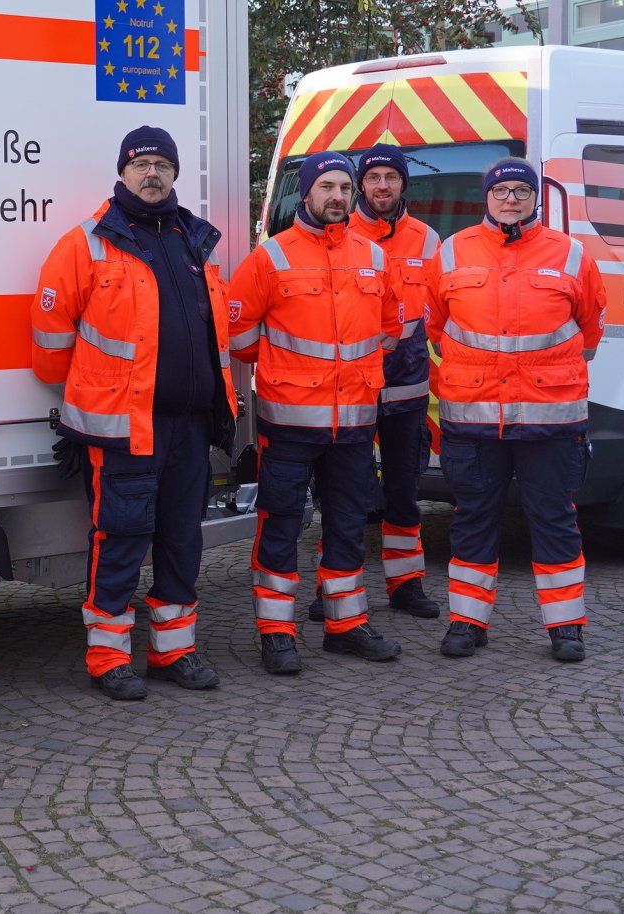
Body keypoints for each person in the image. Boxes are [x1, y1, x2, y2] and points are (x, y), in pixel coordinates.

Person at [30, 126, 237, 701]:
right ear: (122, 172)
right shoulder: (87, 243)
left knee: (181, 539)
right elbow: (49, 348)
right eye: (141, 164)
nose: (152, 174)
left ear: (174, 174)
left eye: (162, 165)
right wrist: (100, 390)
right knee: (119, 539)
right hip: (122, 428)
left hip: (191, 427)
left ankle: (173, 652)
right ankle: (107, 658)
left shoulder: (194, 240)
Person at [226, 152, 404, 675]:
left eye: (345, 188)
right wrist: (294, 374)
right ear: (306, 193)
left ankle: (345, 627)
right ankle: (277, 635)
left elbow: (390, 330)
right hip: (288, 423)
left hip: (353, 423)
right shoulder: (271, 257)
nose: (338, 197)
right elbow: (240, 340)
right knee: (280, 524)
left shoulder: (373, 256)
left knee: (348, 525)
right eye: (327, 186)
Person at [425, 157, 605, 662]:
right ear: (486, 197)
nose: (510, 199)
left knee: (554, 519)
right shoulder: (453, 251)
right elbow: (436, 326)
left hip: (550, 419)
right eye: (501, 191)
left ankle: (566, 627)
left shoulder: (570, 255)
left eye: (520, 192)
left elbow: (589, 330)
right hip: (474, 418)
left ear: (536, 199)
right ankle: (466, 621)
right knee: (473, 519)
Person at [345, 144, 443, 620]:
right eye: (373, 177)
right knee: (344, 493)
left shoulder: (428, 241)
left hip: (406, 389)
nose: (382, 186)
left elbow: (443, 313)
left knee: (404, 492)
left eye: (391, 177)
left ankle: (406, 585)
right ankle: (337, 591)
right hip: (348, 389)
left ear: (404, 184)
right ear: (361, 185)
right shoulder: (337, 233)